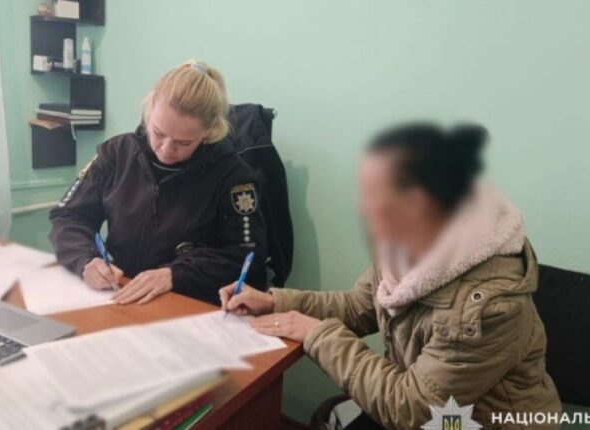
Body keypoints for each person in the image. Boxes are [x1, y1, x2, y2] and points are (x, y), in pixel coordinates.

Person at [220, 124, 561, 429]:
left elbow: (410, 408)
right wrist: (274, 301)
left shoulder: (490, 307)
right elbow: (358, 306)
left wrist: (317, 335)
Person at [50, 60, 267, 305]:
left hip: (188, 303)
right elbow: (68, 216)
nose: (166, 149)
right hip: (121, 293)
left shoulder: (234, 177)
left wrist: (176, 275)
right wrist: (86, 260)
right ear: (150, 108)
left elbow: (247, 254)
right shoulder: (115, 154)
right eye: (158, 133)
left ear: (209, 131)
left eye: (184, 143)